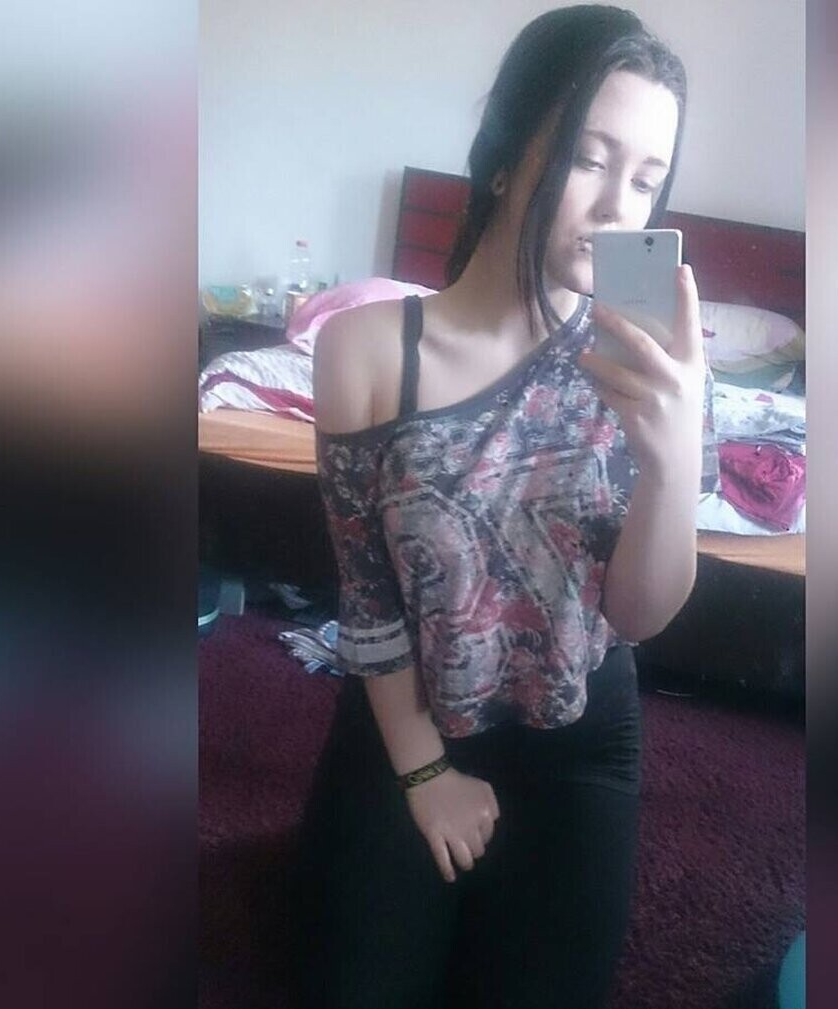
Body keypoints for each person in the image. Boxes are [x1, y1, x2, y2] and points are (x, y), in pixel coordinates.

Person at [298, 6, 702, 1007]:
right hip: (412, 709)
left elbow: (639, 616)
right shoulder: (367, 350)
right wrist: (425, 774)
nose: (616, 208)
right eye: (589, 158)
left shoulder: (648, 365)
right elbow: (367, 598)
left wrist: (673, 458)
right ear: (507, 154)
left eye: (645, 179)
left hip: (579, 732)